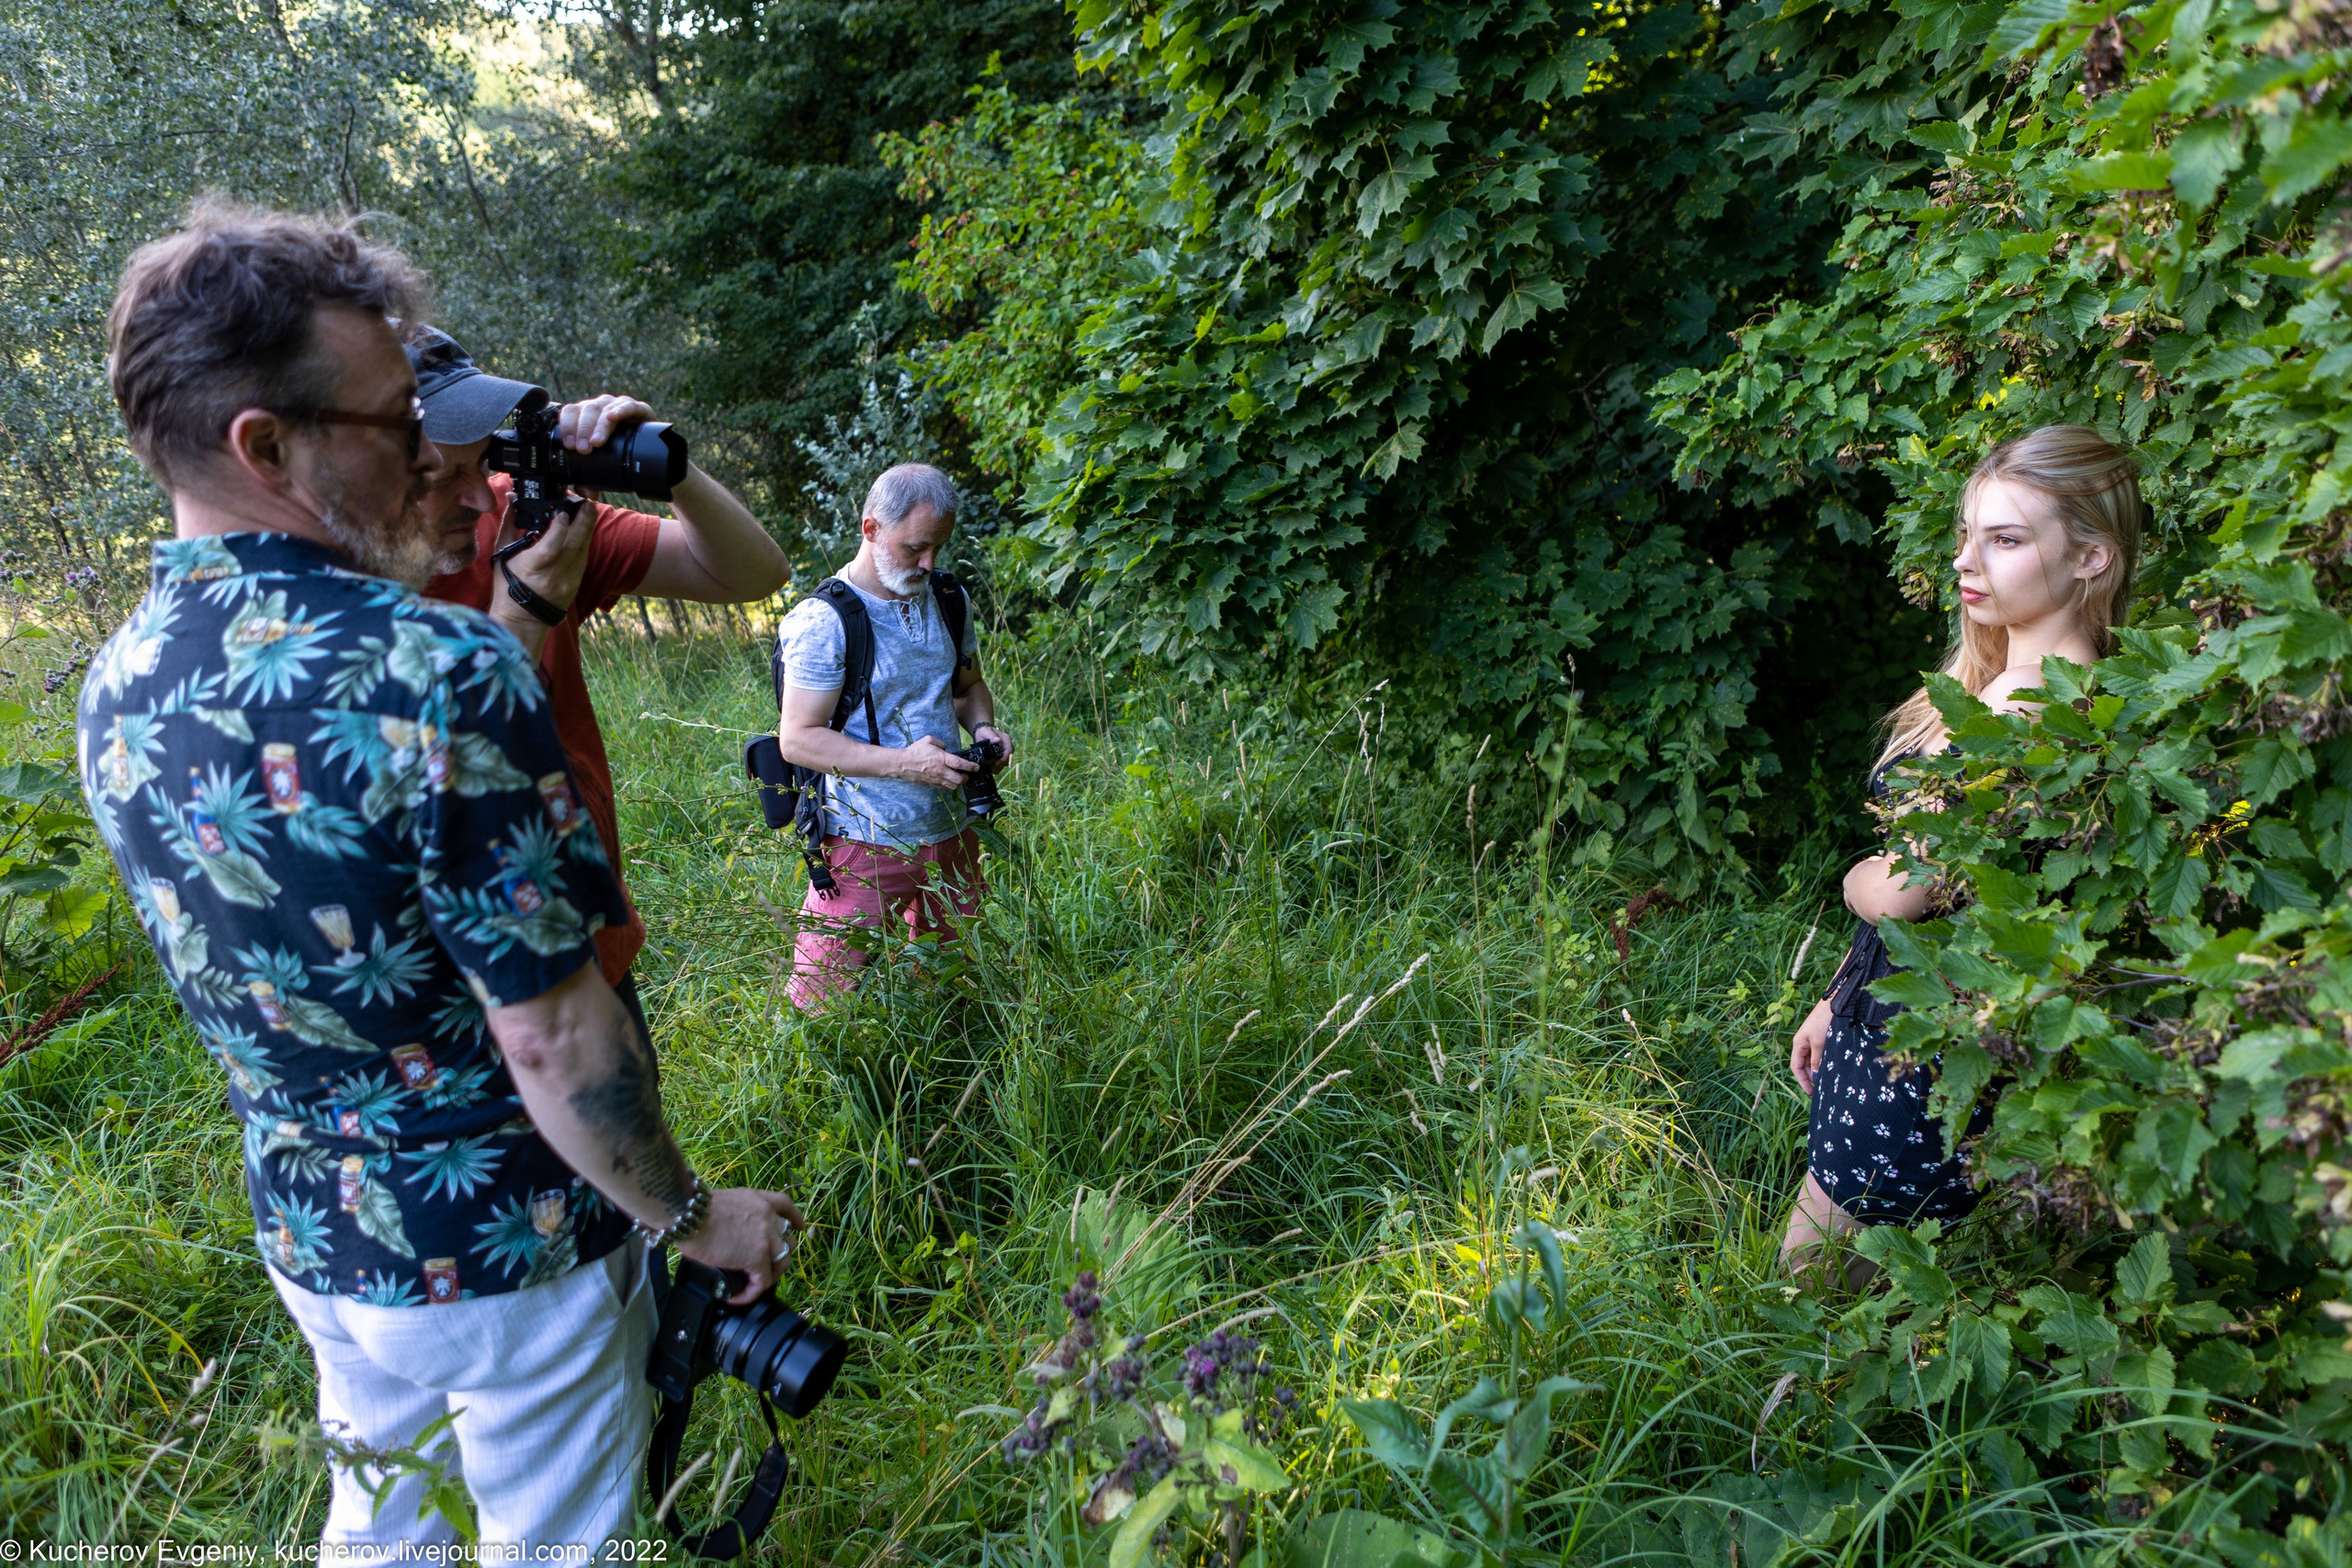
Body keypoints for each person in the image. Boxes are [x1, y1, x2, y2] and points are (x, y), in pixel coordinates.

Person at [84, 201, 803, 1551]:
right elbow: (549, 1028)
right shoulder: (436, 667)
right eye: (392, 426)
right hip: (510, 1236)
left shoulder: (124, 679)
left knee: (382, 1523)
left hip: (315, 1229)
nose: (434, 455)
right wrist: (694, 1215)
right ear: (268, 445)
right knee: (557, 1538)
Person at [1780, 424, 2142, 1282]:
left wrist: (1850, 880)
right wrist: (1841, 994)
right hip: (1912, 1037)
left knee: (1797, 1315)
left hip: (1921, 1068)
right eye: (1966, 535)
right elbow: (1957, 897)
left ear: (2092, 558)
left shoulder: (2021, 705)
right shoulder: (2061, 685)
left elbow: (1906, 890)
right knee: (1879, 1327)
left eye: (2006, 539)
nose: (1965, 561)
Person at [405, 327, 789, 1040]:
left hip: (585, 934)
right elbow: (438, 784)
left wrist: (668, 471)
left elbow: (754, 574)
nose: (480, 502)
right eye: (439, 476)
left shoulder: (525, 519)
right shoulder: (326, 610)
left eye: (480, 463)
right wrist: (525, 609)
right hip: (452, 996)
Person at [774, 464, 1012, 1010]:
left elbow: (968, 685)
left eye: (939, 549)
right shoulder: (823, 622)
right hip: (861, 840)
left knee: (950, 984)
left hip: (953, 827)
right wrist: (904, 764)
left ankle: (940, 1075)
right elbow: (798, 740)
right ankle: (820, 1089)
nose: (929, 564)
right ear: (871, 528)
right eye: (916, 548)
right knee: (822, 998)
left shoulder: (948, 598)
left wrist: (981, 728)